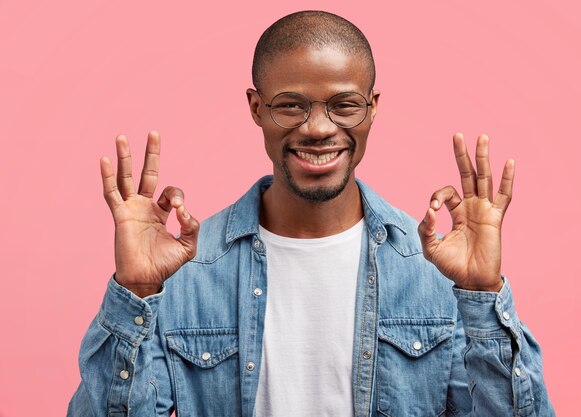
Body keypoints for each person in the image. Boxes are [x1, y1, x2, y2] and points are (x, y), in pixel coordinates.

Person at [67, 10, 554, 417]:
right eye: (290, 105)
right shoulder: (185, 270)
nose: (318, 128)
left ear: (372, 108)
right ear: (256, 108)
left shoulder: (436, 271)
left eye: (343, 105)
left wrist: (482, 298)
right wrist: (134, 292)